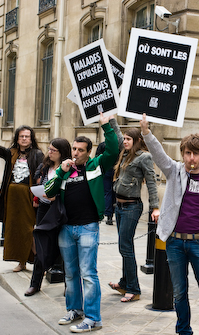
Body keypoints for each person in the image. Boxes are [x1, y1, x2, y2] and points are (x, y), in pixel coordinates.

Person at [140, 113, 199, 335]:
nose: (191, 158)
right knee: (179, 292)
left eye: (195, 154)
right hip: (175, 242)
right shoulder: (175, 171)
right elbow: (159, 156)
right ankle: (184, 331)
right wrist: (146, 133)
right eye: (187, 153)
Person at [44, 112, 119, 333]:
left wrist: (106, 125)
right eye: (74, 149)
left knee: (88, 272)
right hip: (66, 228)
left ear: (88, 152)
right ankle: (75, 310)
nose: (75, 153)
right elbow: (48, 192)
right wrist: (60, 173)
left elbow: (114, 150)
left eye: (80, 150)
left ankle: (94, 318)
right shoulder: (64, 170)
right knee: (70, 273)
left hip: (88, 227)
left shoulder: (96, 165)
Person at [108, 127, 160, 302]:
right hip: (120, 207)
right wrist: (110, 120)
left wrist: (155, 207)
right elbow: (115, 135)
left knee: (125, 247)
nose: (125, 141)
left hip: (132, 207)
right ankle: (124, 283)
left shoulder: (144, 157)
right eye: (124, 138)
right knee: (124, 247)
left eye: (129, 139)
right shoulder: (125, 154)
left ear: (137, 140)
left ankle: (134, 289)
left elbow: (152, 181)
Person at [0, 117, 44, 272]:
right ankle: (21, 262)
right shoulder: (11, 153)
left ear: (31, 139)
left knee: (29, 229)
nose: (24, 139)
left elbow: (41, 176)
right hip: (11, 197)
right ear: (17, 139)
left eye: (27, 136)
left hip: (28, 197)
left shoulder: (38, 154)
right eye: (21, 136)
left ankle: (39, 262)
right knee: (14, 228)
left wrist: (37, 197)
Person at [24, 138, 71, 297]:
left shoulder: (69, 168)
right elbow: (38, 181)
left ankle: (68, 286)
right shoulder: (45, 166)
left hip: (60, 209)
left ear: (62, 153)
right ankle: (35, 284)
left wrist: (55, 196)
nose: (49, 153)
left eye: (53, 150)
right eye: (49, 149)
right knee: (41, 244)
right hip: (44, 208)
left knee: (65, 247)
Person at [96, 141, 115, 225]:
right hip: (116, 170)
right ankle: (111, 213)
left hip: (106, 169)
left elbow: (97, 157)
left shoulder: (102, 145)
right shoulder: (116, 145)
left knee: (107, 192)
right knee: (114, 192)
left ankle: (109, 215)